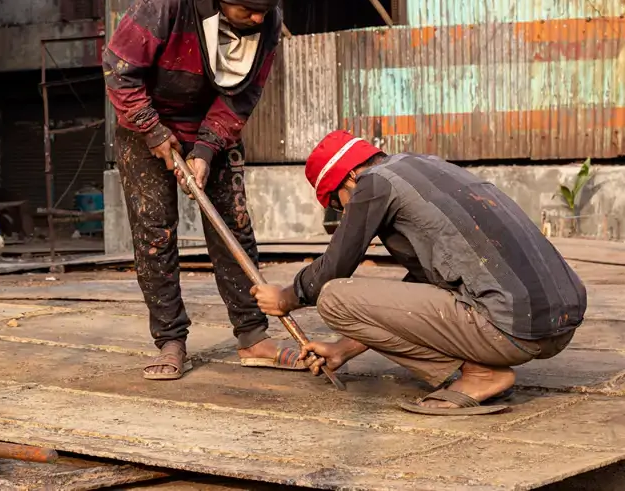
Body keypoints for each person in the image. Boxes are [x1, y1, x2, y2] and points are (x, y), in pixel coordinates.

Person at [252, 130, 588, 415]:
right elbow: (422, 294)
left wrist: (286, 297)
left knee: (334, 298)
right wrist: (343, 348)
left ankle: (481, 374)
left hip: (513, 332)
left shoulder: (372, 184)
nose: (345, 213)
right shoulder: (425, 167)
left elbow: (333, 270)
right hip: (558, 326)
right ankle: (482, 369)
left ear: (349, 179)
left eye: (339, 204)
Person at [104, 0, 300, 380]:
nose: (257, 18)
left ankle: (252, 336)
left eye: (264, 10)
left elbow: (244, 95)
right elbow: (119, 70)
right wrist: (154, 131)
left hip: (210, 121)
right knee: (156, 234)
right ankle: (171, 339)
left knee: (234, 226)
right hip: (144, 119)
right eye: (248, 9)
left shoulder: (265, 18)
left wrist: (207, 149)